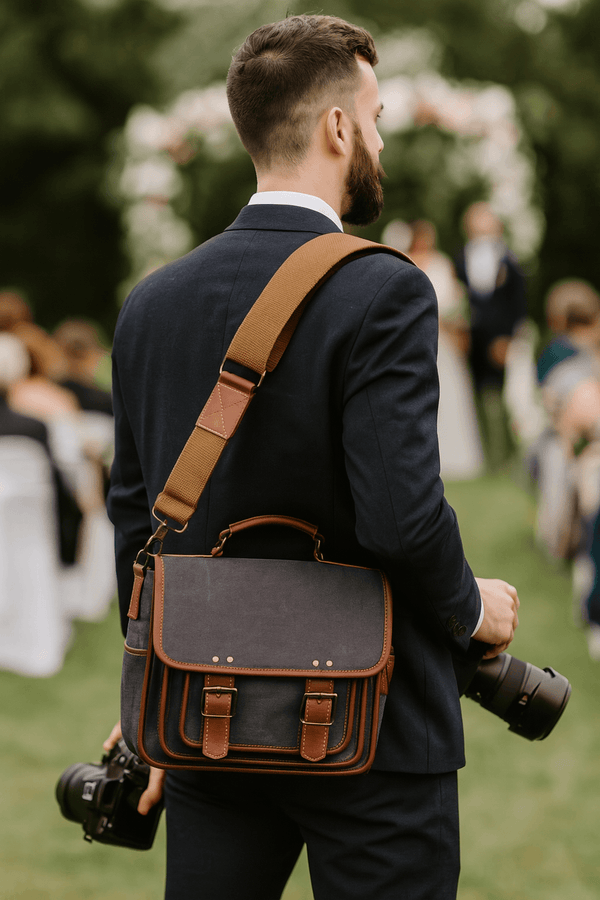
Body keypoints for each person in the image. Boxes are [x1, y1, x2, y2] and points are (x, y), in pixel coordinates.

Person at [105, 15, 519, 899]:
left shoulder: (151, 303)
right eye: (375, 118)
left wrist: (155, 694)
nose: (379, 141)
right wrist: (470, 609)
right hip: (373, 725)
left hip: (207, 717)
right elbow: (401, 519)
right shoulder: (385, 287)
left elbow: (137, 524)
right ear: (337, 127)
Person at [408, 219, 484, 481]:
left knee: (449, 393)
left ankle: (455, 457)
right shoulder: (403, 259)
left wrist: (453, 322)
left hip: (444, 338)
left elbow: (453, 300)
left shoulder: (442, 264)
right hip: (413, 337)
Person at [455, 202, 527, 470]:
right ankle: (485, 454)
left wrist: (507, 337)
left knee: (501, 395)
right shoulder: (460, 257)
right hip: (469, 338)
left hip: (499, 338)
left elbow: (518, 303)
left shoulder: (510, 260)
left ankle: (507, 454)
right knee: (474, 394)